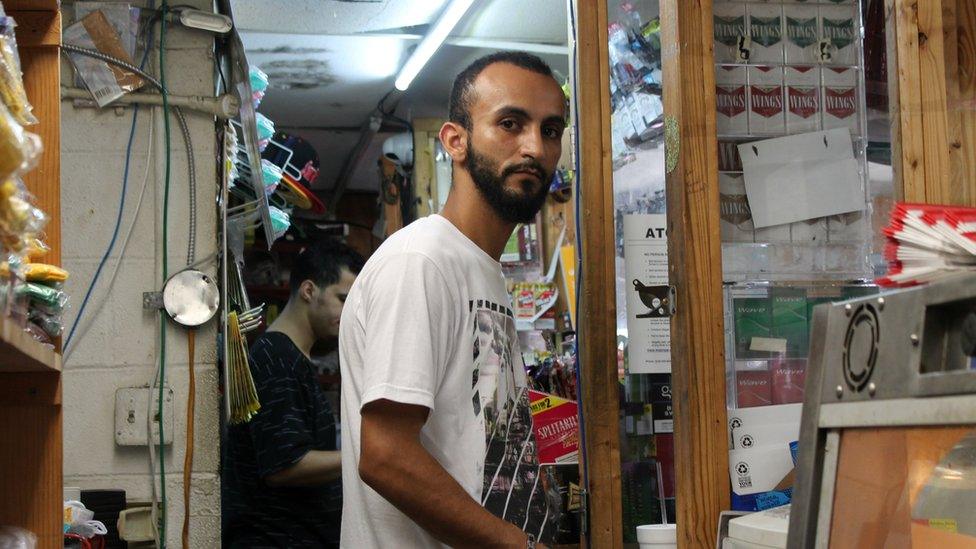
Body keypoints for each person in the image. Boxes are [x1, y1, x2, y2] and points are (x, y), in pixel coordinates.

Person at [339, 51, 567, 548]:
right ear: (455, 141)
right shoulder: (420, 262)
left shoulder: (478, 268)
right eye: (511, 123)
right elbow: (385, 455)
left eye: (551, 130)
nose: (534, 147)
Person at [222, 239, 364, 548]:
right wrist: (363, 455)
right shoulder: (277, 359)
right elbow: (284, 466)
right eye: (343, 299)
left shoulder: (292, 358)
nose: (351, 313)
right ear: (309, 290)